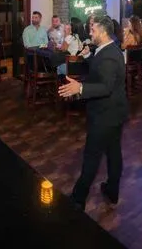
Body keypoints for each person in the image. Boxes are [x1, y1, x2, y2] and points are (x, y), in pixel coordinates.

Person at [57, 16, 128, 210]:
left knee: (92, 157)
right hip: (114, 112)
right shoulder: (107, 49)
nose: (90, 33)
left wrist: (80, 88)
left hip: (106, 114)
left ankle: (78, 199)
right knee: (113, 152)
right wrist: (89, 57)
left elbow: (106, 86)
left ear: (103, 32)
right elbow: (100, 72)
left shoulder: (109, 55)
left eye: (93, 30)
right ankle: (112, 191)